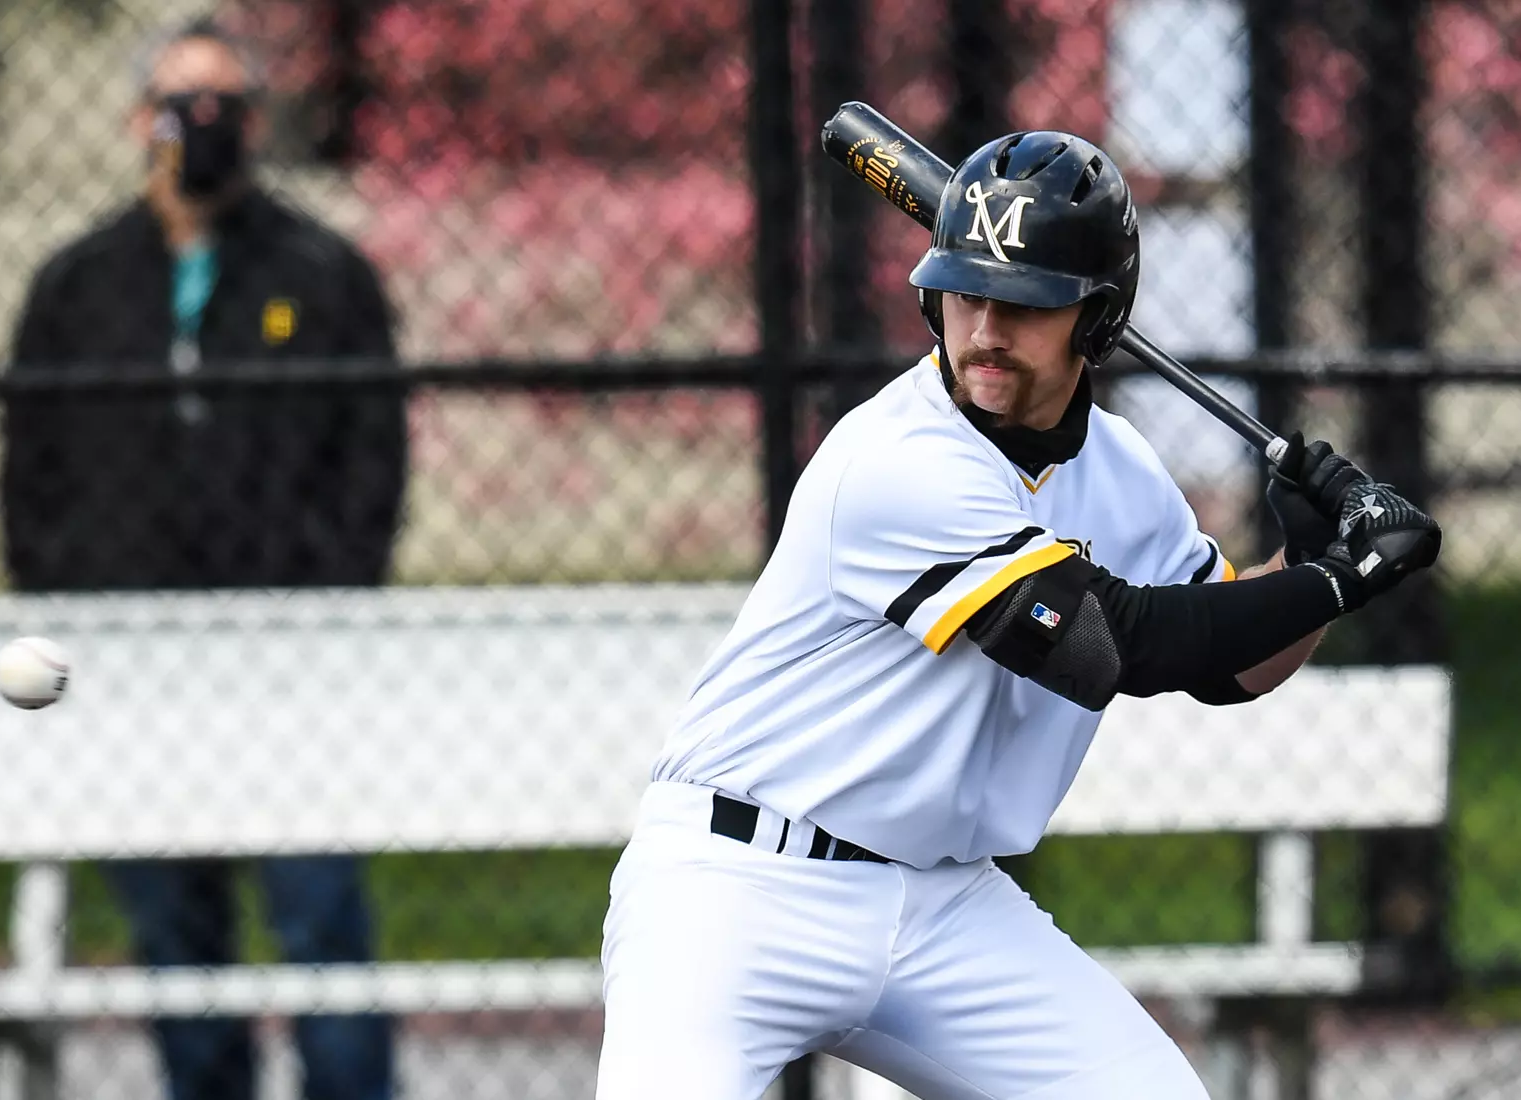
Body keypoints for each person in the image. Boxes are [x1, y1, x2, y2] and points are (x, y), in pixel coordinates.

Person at [596, 132, 1440, 1099]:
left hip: (943, 904)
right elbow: (1107, 644)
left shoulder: (1121, 473)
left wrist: (1301, 566)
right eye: (965, 292)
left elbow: (1230, 665)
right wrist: (1342, 578)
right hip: (737, 889)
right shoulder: (894, 460)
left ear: (1096, 320)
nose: (985, 329)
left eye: (1026, 303)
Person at [0, 17, 404, 1100]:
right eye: (182, 104)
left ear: (259, 123)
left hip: (291, 666)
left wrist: (318, 600)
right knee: (177, 946)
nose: (204, 126)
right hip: (135, 671)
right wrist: (80, 608)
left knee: (323, 931)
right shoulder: (77, 286)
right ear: (140, 121)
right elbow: (27, 482)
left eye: (226, 104)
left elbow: (371, 469)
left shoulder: (323, 274)